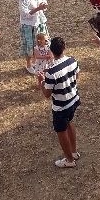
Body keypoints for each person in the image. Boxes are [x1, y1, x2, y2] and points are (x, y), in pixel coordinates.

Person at [39, 37, 80, 168]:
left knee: (61, 131)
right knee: (69, 122)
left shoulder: (51, 73)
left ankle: (69, 160)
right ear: (64, 48)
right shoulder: (72, 60)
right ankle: (74, 152)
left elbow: (46, 94)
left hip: (61, 106)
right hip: (73, 99)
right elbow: (76, 76)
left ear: (51, 51)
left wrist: (42, 81)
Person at [18, 0, 49, 75]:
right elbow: (25, 14)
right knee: (29, 45)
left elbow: (44, 1)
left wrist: (43, 6)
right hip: (29, 25)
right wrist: (37, 9)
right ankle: (28, 64)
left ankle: (39, 62)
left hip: (40, 21)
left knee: (42, 42)